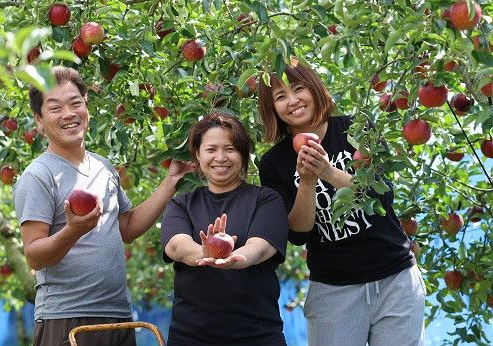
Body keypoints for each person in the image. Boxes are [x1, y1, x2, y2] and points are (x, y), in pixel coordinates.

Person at [13, 66, 196, 346]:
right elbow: (34, 256)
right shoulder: (39, 175)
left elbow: (128, 228)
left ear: (87, 107)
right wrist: (73, 230)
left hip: (119, 315)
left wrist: (170, 183)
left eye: (76, 103)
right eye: (55, 108)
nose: (69, 114)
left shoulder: (102, 166)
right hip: (69, 319)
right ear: (39, 120)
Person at [257, 56, 426, 346]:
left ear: (313, 87)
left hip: (394, 280)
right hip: (333, 289)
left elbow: (382, 194)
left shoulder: (356, 129)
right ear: (272, 108)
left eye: (298, 88)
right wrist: (307, 183)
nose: (293, 101)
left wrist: (328, 172)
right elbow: (298, 235)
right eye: (280, 96)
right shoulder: (274, 163)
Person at [161, 111, 289, 346]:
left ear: (243, 154)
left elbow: (259, 249)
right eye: (211, 150)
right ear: (197, 155)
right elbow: (178, 248)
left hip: (257, 338)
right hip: (190, 339)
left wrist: (232, 258)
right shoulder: (181, 204)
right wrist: (206, 252)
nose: (220, 157)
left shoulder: (266, 200)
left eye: (230, 149)